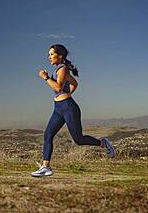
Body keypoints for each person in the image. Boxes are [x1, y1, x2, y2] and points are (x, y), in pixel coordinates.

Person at [31, 44, 116, 177]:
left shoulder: (63, 69)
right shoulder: (59, 70)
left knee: (78, 139)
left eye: (51, 54)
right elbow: (74, 83)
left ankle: (102, 143)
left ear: (60, 56)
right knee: (48, 135)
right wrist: (67, 93)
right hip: (58, 108)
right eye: (49, 54)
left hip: (68, 108)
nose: (49, 57)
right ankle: (46, 167)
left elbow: (58, 88)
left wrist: (45, 77)